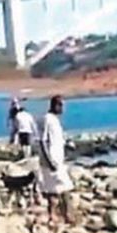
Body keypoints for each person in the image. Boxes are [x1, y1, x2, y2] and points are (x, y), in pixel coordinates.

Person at [38, 95, 73, 223]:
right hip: (52, 162)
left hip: (57, 160)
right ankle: (68, 216)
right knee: (65, 188)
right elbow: (42, 141)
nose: (63, 109)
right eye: (62, 105)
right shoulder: (46, 119)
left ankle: (52, 216)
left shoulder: (55, 120)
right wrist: (49, 160)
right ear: (56, 105)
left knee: (53, 191)